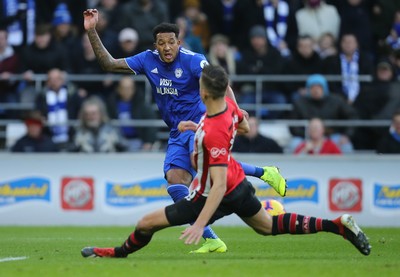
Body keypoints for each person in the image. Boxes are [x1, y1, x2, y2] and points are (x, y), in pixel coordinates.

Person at [80, 64, 371, 258]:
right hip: (239, 186)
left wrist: (200, 224)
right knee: (268, 226)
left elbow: (216, 187)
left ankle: (115, 253)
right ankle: (338, 226)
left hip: (214, 194)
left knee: (146, 223)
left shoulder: (214, 131)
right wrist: (196, 128)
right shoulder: (227, 108)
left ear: (203, 91)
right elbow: (242, 126)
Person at [83, 10, 286, 253]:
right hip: (176, 132)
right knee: (175, 183)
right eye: (161, 43)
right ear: (155, 46)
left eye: (171, 42)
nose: (167, 47)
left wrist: (235, 112)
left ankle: (265, 172)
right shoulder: (147, 59)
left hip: (201, 125)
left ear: (179, 42)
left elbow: (220, 82)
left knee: (205, 163)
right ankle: (212, 239)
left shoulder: (192, 59)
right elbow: (108, 64)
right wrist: (92, 30)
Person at [107, 76, 158, 152]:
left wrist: (148, 141)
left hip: (138, 140)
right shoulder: (112, 104)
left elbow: (151, 124)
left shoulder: (142, 105)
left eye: (129, 88)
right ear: (118, 89)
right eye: (124, 88)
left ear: (134, 89)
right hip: (117, 141)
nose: (127, 91)